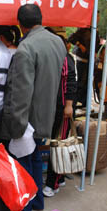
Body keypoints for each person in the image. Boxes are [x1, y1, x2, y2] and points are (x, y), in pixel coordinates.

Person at [0, 4, 66, 211]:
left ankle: (25, 208)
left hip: (27, 117)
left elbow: (21, 92)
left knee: (22, 162)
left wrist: (17, 125)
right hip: (47, 114)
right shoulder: (57, 42)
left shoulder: (25, 48)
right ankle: (37, 202)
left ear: (20, 24)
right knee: (35, 157)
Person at [43, 28, 76, 197]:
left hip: (62, 109)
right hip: (55, 107)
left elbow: (71, 83)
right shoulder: (56, 57)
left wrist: (68, 105)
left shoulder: (65, 58)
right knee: (57, 143)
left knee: (58, 145)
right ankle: (59, 177)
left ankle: (52, 184)